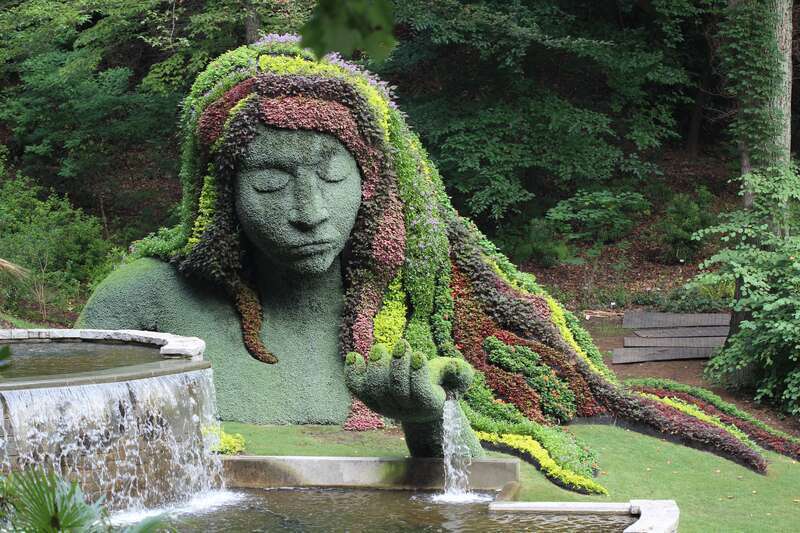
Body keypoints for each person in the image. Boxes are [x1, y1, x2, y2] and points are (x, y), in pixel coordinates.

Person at [80, 35, 794, 491]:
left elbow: (461, 477)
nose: (307, 210)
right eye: (269, 183)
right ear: (218, 193)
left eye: (332, 175)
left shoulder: (405, 308)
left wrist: (424, 420)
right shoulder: (144, 303)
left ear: (374, 183)